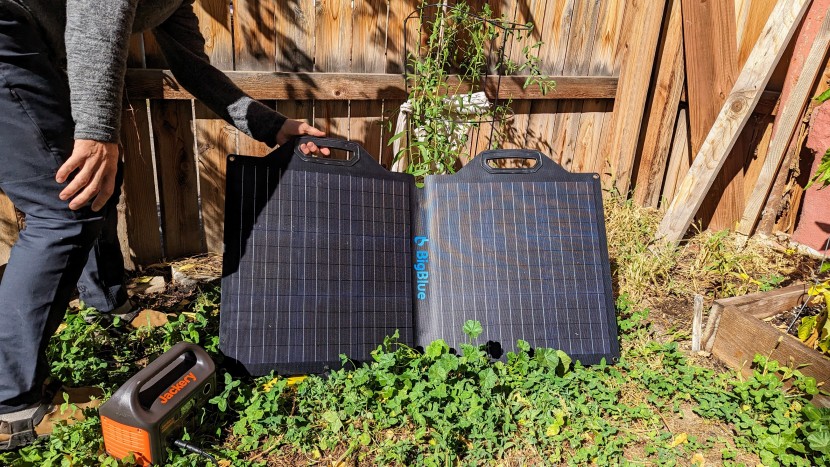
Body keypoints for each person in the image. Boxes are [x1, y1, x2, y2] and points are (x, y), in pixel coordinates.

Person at [0, 0, 329, 449]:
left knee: (96, 185)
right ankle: (11, 406)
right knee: (66, 209)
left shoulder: (174, 5)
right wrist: (96, 131)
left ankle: (107, 303)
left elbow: (195, 70)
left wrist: (273, 126)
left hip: (29, 46)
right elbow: (97, 9)